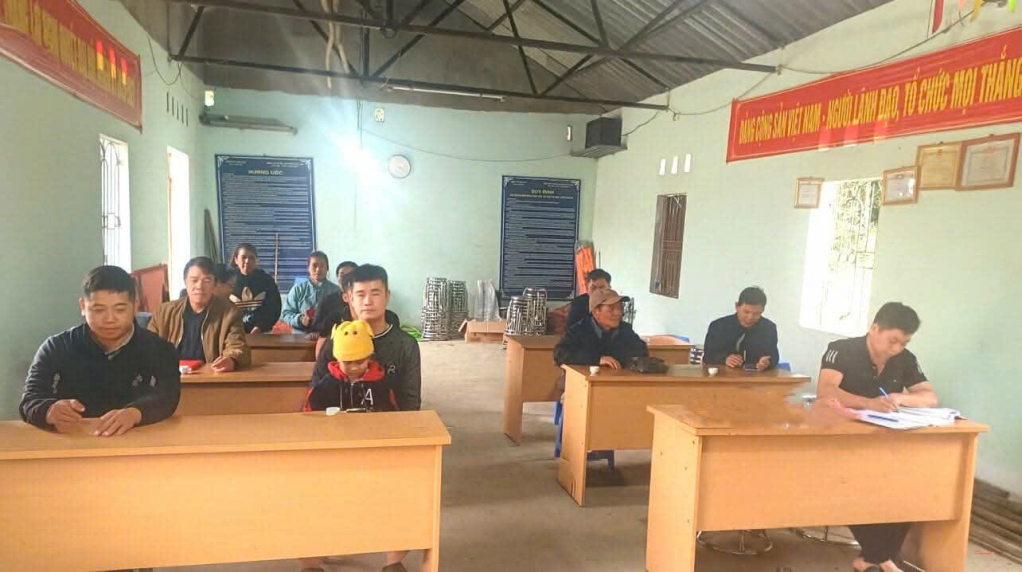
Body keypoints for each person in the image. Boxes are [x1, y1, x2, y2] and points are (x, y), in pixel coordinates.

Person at [307, 264, 420, 572]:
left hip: (386, 438)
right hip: (335, 440)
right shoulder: (336, 341)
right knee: (305, 485)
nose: (368, 301)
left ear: (388, 296)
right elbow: (315, 394)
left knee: (410, 484)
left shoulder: (405, 345)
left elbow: (411, 402)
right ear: (348, 298)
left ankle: (394, 561)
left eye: (375, 293)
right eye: (360, 294)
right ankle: (310, 560)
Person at [817, 302, 938, 572]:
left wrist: (902, 398)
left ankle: (871, 559)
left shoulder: (905, 359)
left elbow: (929, 397)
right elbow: (826, 391)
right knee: (854, 486)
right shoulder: (842, 349)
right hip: (840, 442)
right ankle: (881, 559)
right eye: (893, 340)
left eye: (904, 343)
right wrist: (868, 403)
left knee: (911, 489)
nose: (897, 349)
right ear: (874, 328)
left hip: (885, 444)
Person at [19, 266, 180, 436]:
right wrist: (48, 410)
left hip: (135, 439)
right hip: (74, 440)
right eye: (98, 310)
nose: (109, 319)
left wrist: (135, 413)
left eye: (120, 309)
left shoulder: (159, 349)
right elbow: (29, 400)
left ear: (135, 305)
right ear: (83, 306)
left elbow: (168, 397)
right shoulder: (57, 347)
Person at [149, 256, 250, 371]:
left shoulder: (230, 313)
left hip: (209, 376)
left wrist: (231, 359)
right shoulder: (164, 312)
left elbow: (237, 346)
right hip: (169, 375)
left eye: (207, 281)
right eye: (194, 280)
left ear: (214, 284)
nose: (200, 286)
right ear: (185, 282)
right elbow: (148, 345)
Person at [302, 320, 395, 412]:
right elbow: (313, 413)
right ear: (337, 359)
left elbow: (390, 414)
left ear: (369, 357)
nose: (354, 368)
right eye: (347, 363)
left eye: (360, 362)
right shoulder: (326, 386)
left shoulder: (380, 384)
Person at [554, 289, 648, 369]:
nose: (618, 313)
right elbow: (560, 354)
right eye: (611, 308)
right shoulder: (579, 330)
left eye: (620, 308)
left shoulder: (625, 329)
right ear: (596, 311)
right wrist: (597, 359)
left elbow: (641, 352)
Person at [703, 286, 779, 371]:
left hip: (756, 376)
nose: (750, 317)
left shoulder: (768, 328)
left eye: (756, 313)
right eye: (746, 312)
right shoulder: (718, 326)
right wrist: (724, 359)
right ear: (737, 306)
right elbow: (708, 357)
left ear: (763, 310)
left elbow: (774, 357)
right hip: (723, 375)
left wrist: (767, 363)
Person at [281, 251, 342, 333]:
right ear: (308, 268)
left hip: (327, 336)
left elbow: (341, 315)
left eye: (322, 266)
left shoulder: (336, 290)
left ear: (327, 268)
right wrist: (300, 319)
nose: (318, 269)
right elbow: (286, 314)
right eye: (314, 265)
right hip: (301, 336)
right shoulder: (298, 289)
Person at [229, 243, 282, 334]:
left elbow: (274, 308)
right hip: (233, 332)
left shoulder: (266, 280)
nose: (247, 261)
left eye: (251, 258)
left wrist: (260, 327)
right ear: (236, 260)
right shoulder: (228, 281)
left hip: (261, 332)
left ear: (256, 261)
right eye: (243, 257)